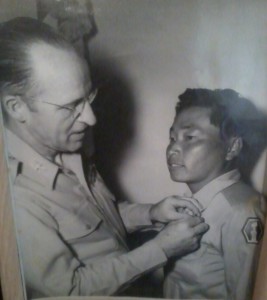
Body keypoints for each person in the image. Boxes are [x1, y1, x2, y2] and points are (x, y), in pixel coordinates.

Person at [0, 17, 209, 299]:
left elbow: (95, 219)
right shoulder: (13, 199)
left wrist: (150, 213)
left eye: (88, 97)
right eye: (72, 106)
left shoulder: (64, 146)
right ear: (17, 107)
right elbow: (70, 289)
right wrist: (162, 248)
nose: (90, 117)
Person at [163, 88, 267, 300]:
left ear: (232, 147)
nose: (173, 148)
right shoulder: (188, 202)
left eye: (189, 137)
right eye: (172, 137)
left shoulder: (240, 210)